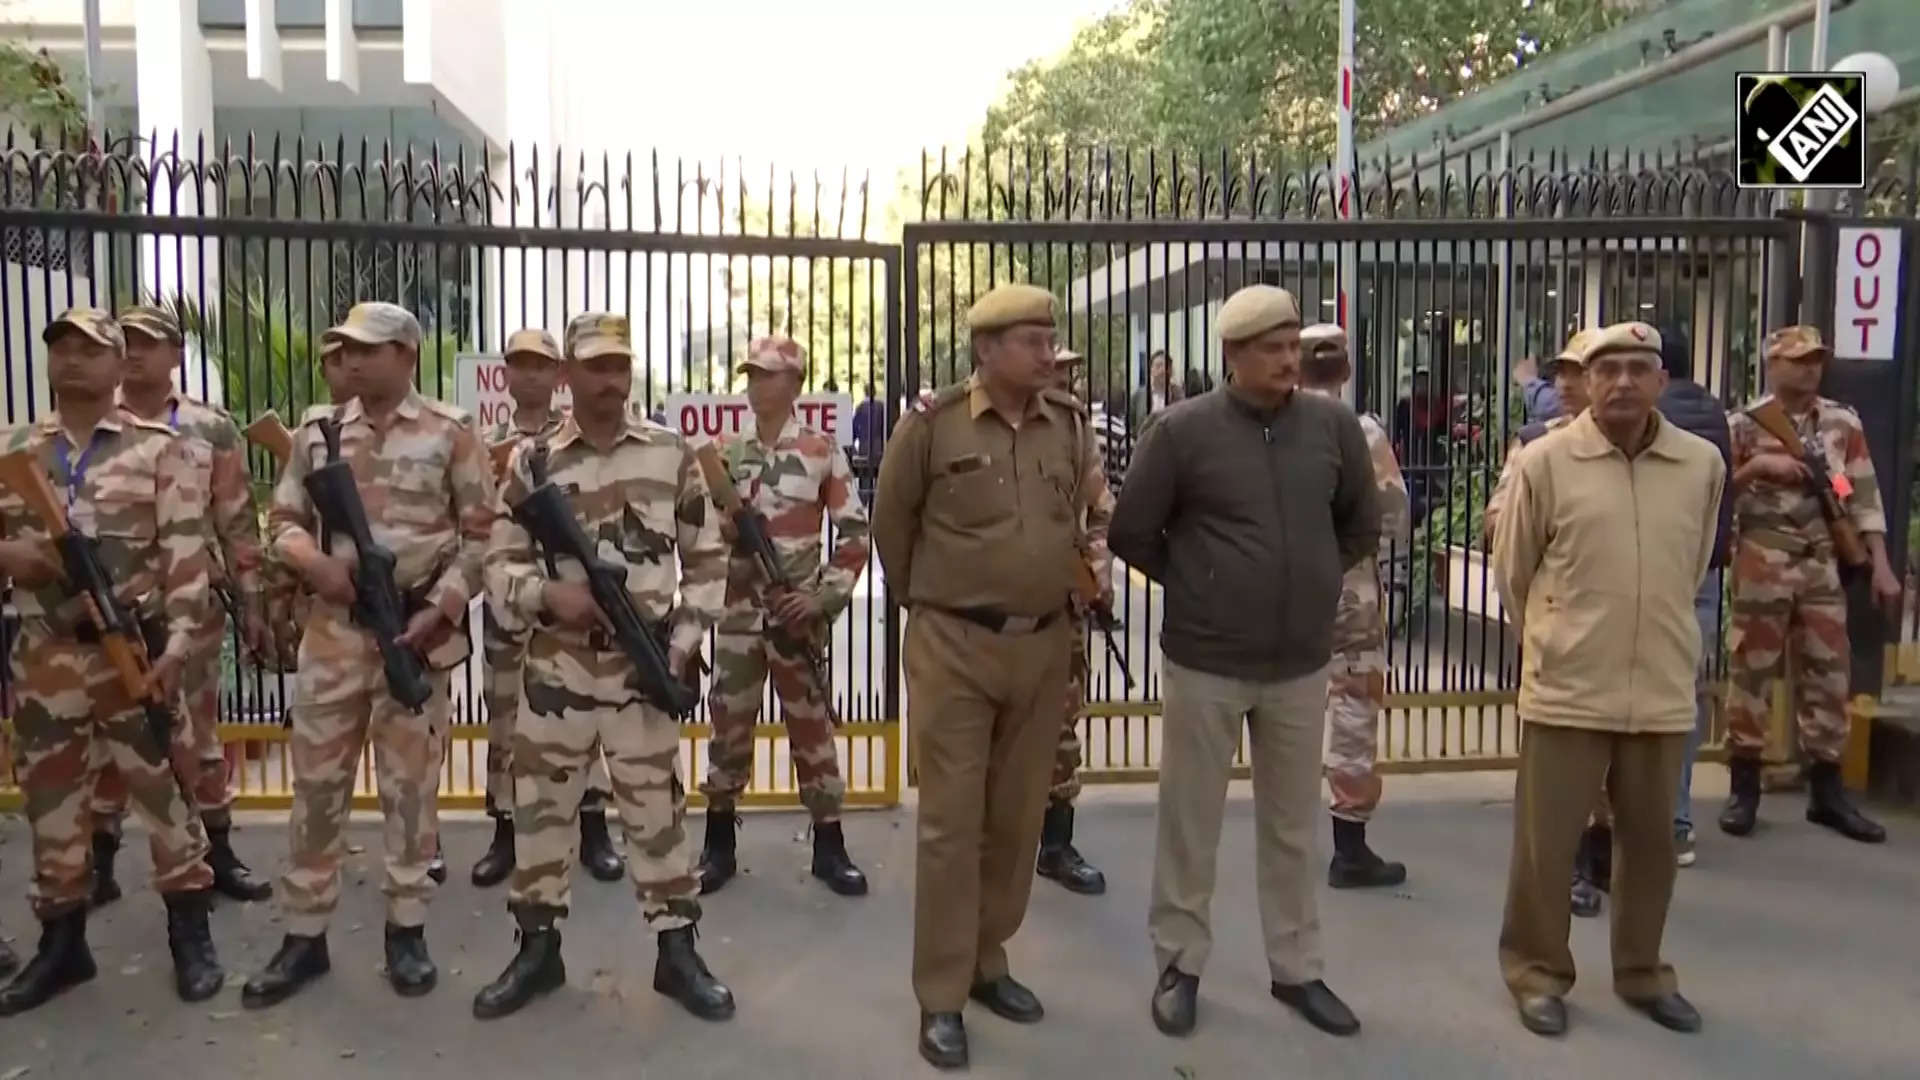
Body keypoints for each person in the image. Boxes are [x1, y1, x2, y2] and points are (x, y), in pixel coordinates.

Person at [1110, 285, 1380, 1040]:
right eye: (1272, 349)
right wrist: (1203, 584)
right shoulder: (1181, 431)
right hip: (1207, 660)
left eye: (1294, 347)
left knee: (1292, 824)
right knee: (1191, 821)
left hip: (1298, 663)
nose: (1289, 361)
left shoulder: (1331, 427)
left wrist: (1311, 579)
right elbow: (1134, 532)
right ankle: (1180, 963)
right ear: (1233, 356)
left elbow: (1358, 524)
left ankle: (1297, 969)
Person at [472, 312, 734, 1022]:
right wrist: (546, 594)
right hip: (556, 666)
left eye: (621, 365)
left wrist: (681, 640)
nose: (612, 380)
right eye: (596, 367)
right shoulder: (531, 463)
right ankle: (537, 949)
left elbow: (708, 559)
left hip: (641, 666)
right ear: (568, 376)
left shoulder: (670, 452)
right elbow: (497, 562)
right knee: (541, 814)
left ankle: (677, 952)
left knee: (657, 814)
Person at [243, 302, 492, 1008]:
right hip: (332, 635)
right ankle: (303, 935)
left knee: (409, 793)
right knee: (316, 791)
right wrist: (311, 563)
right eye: (347, 350)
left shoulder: (451, 433)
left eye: (369, 350)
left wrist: (444, 605)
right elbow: (283, 520)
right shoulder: (317, 435)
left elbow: (484, 536)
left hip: (414, 631)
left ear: (406, 355)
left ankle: (406, 928)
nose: (353, 360)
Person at [873, 283, 1093, 1070]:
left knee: (1016, 820)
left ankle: (986, 961)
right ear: (986, 350)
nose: (1047, 352)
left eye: (1048, 338)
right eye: (1032, 340)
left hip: (1041, 645)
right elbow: (890, 524)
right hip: (955, 646)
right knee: (950, 824)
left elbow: (1078, 516)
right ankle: (940, 996)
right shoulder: (930, 427)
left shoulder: (1066, 425)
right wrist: (929, 606)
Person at [1491, 321, 1723, 1038]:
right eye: (1608, 369)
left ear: (1661, 380)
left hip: (1658, 682)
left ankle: (1643, 972)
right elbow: (1514, 572)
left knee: (1651, 845)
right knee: (1546, 845)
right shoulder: (1547, 461)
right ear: (1585, 384)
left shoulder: (1702, 463)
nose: (1623, 381)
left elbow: (1696, 563)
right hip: (1568, 684)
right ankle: (1537, 973)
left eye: (1638, 368)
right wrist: (1561, 635)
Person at [0, 308, 226, 1014]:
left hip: (136, 653)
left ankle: (190, 936)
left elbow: (187, 566)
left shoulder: (161, 451)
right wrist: (14, 558)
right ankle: (62, 945)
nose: (73, 361)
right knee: (52, 804)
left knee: (165, 797)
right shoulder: (14, 450)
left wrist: (181, 647)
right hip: (46, 658)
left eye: (91, 350)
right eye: (60, 348)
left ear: (117, 362)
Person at [82, 304, 274, 907]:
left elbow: (237, 519)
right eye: (125, 342)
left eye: (148, 342)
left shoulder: (208, 428)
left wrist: (253, 603)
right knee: (105, 738)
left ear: (176, 355)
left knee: (196, 734)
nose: (134, 352)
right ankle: (98, 861)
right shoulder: (91, 423)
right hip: (102, 610)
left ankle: (217, 853)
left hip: (188, 609)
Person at [697, 334, 871, 898]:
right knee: (728, 728)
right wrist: (718, 529)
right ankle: (718, 843)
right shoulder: (725, 450)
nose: (754, 384)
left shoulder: (821, 450)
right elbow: (695, 525)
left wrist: (819, 598)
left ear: (794, 383)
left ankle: (830, 845)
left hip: (795, 614)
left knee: (812, 731)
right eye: (749, 373)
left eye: (767, 374)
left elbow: (854, 535)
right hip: (739, 613)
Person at [1720, 325, 1901, 844]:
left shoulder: (1841, 422)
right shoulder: (1744, 424)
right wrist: (1756, 467)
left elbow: (1859, 490)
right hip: (1763, 555)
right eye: (1797, 360)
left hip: (1822, 561)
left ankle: (1827, 791)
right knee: (1751, 671)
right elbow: (1717, 492)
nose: (1808, 368)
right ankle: (1744, 789)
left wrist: (1879, 562)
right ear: (1772, 364)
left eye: (1816, 360)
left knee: (1829, 673)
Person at [469, 328, 626, 890]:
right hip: (511, 600)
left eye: (540, 365)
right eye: (519, 364)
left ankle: (593, 824)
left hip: (570, 605)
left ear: (558, 373)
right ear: (505, 373)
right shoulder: (480, 442)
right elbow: (470, 518)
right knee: (506, 715)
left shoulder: (570, 439)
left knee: (583, 711)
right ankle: (506, 828)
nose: (529, 374)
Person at [1297, 324, 1409, 888]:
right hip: (1348, 588)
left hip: (1281, 588)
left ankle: (1285, 838)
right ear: (1344, 369)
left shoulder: (1271, 426)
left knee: (1282, 709)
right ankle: (1349, 847)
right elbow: (1393, 516)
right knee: (1353, 710)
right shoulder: (1360, 430)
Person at [1651, 325, 1733, 867]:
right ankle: (1677, 823)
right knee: (1683, 692)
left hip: (1656, 572)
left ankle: (1632, 821)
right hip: (1706, 573)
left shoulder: (1655, 423)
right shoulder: (1720, 417)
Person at [1033, 344, 1113, 896]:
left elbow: (1103, 511)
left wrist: (1097, 571)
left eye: (1069, 372)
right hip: (997, 607)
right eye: (1056, 370)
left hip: (1062, 603)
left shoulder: (1079, 434)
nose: (1063, 379)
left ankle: (1056, 846)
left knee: (1061, 728)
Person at [1129, 350, 1175, 428]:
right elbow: (1131, 423)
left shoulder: (1178, 394)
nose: (1162, 370)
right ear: (1151, 369)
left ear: (1171, 371)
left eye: (1166, 366)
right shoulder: (1139, 395)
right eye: (1158, 366)